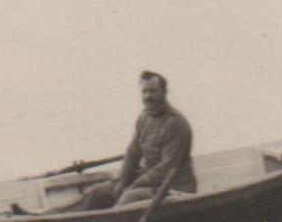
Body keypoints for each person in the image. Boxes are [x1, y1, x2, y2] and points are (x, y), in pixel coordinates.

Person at [58, 71, 197, 212]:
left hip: (173, 188)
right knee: (97, 192)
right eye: (144, 92)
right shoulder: (144, 118)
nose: (148, 96)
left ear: (164, 92)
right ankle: (54, 217)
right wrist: (122, 181)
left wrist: (134, 185)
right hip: (148, 182)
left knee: (128, 199)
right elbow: (132, 154)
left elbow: (166, 168)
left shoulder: (175, 123)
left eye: (153, 91)